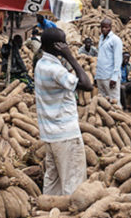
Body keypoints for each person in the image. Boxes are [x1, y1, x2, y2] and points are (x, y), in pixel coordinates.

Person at [34, 27, 94, 196]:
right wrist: (70, 57)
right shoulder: (55, 70)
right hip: (65, 134)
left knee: (53, 182)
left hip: (50, 134)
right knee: (72, 181)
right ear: (57, 46)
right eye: (63, 43)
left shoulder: (41, 64)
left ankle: (48, 214)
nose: (66, 45)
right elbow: (87, 85)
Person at [95, 18, 123, 105]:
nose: (103, 29)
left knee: (114, 100)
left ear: (110, 27)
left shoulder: (115, 40)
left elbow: (118, 59)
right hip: (101, 75)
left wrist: (114, 77)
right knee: (103, 101)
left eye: (106, 27)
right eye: (102, 27)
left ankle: (118, 117)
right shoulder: (101, 38)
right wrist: (97, 76)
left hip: (110, 76)